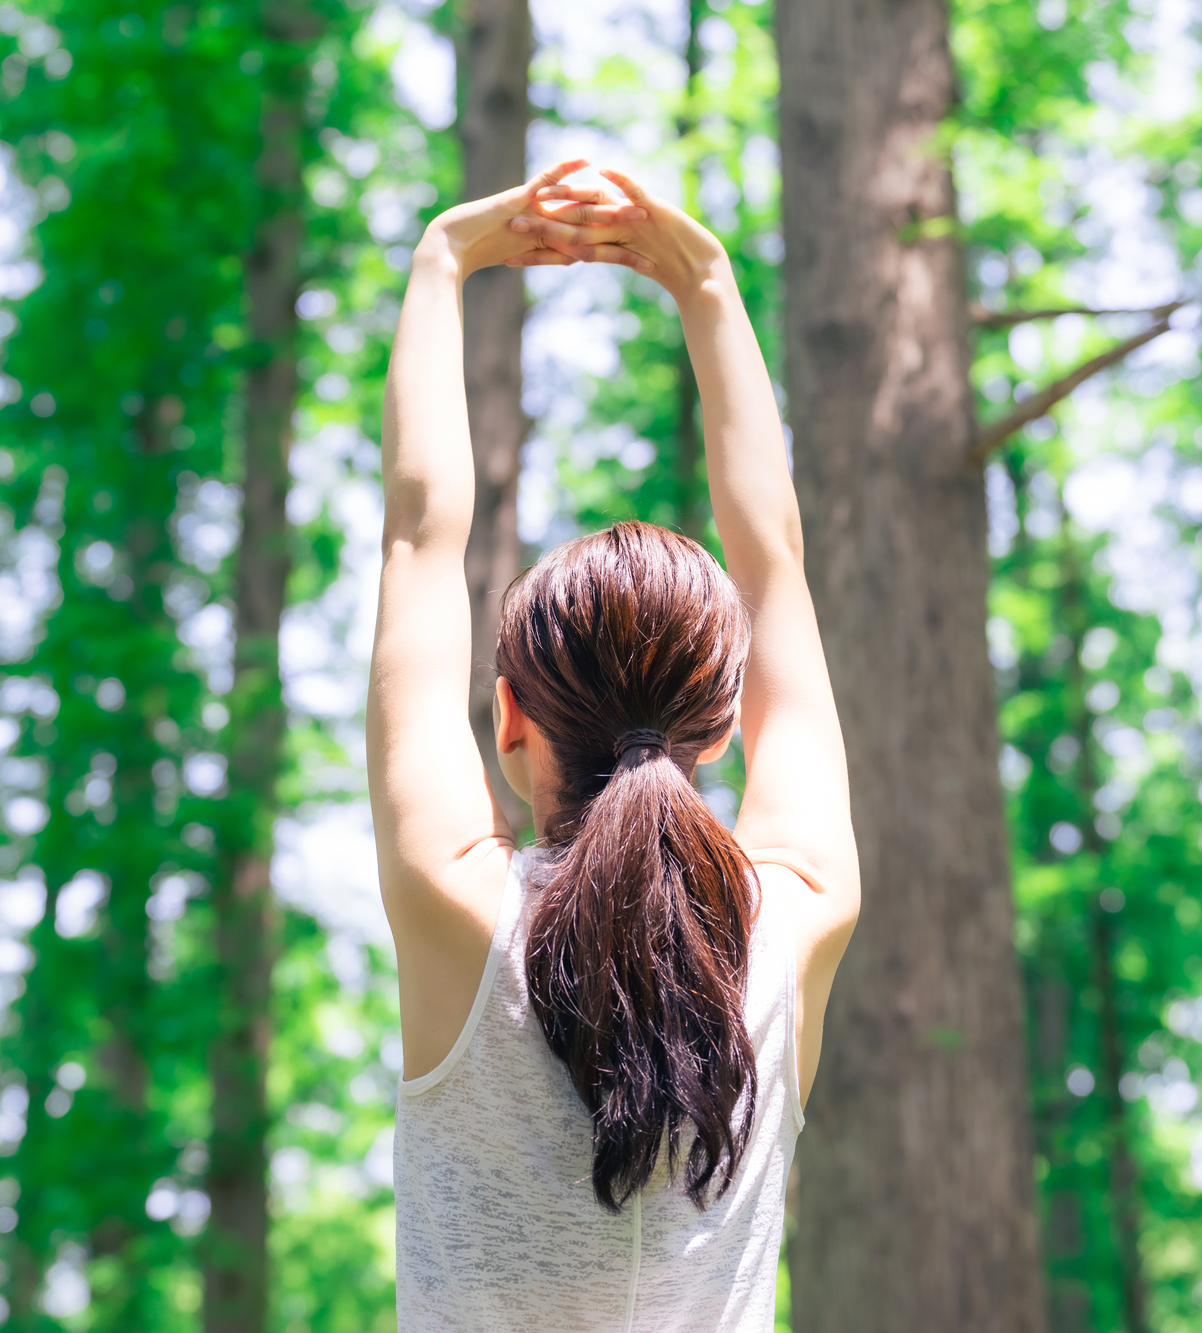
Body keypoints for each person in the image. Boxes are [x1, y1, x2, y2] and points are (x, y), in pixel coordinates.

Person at [367, 158, 860, 1331]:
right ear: (727, 723)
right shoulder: (796, 919)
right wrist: (704, 282)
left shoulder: (458, 906)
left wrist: (442, 257)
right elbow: (773, 561)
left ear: (507, 719)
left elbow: (418, 536)